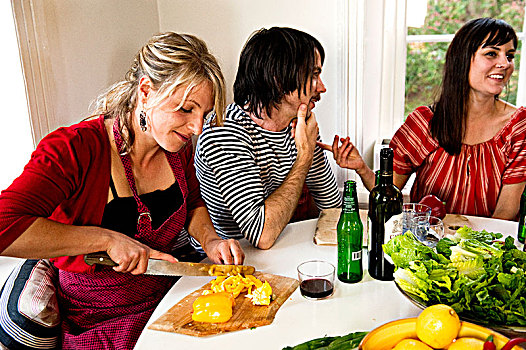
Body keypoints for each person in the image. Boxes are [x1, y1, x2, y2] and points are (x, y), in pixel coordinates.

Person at [0, 32, 244, 349]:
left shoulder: (175, 144)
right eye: (186, 110)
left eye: (204, 114)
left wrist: (210, 239)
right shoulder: (75, 149)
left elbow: (193, 201)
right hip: (98, 317)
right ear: (145, 91)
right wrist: (106, 239)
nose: (197, 127)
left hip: (164, 295)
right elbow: (4, 225)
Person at [319, 18, 526, 220]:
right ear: (462, 59)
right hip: (425, 245)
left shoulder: (518, 126)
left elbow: (506, 214)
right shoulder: (423, 122)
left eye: (509, 56)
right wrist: (361, 168)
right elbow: (388, 193)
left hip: (486, 247)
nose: (505, 64)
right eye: (491, 53)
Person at [194, 27, 341, 250]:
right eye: (313, 75)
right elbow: (262, 235)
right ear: (278, 79)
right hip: (229, 262)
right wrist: (305, 156)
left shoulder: (299, 124)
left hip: (281, 247)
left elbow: (332, 208)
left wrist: (308, 150)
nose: (322, 87)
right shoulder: (224, 130)